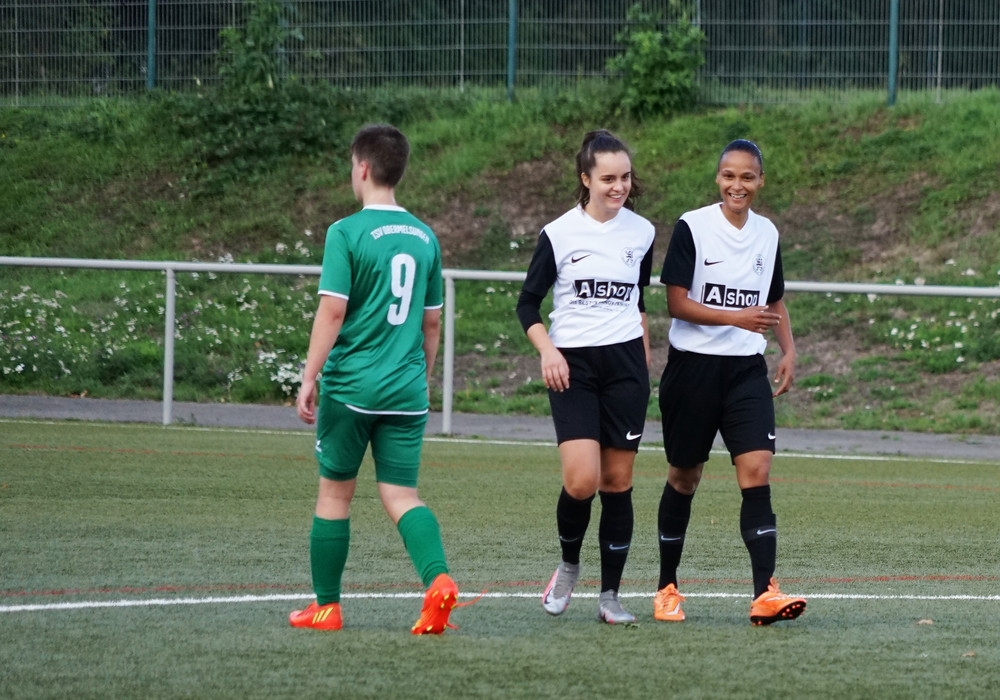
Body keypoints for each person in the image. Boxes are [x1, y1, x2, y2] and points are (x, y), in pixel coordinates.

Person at [289, 124, 460, 634]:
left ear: (362, 168)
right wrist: (420, 378)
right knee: (402, 494)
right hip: (406, 390)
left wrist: (308, 376)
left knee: (335, 495)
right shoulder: (425, 236)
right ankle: (438, 580)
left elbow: (332, 312)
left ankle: (326, 608)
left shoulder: (345, 232)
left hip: (353, 388)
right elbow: (432, 323)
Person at [652, 139, 806, 626]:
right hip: (693, 369)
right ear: (718, 178)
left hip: (745, 371)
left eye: (747, 177)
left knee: (757, 470)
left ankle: (764, 594)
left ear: (760, 181)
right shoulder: (692, 226)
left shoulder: (767, 233)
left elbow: (773, 300)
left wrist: (788, 348)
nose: (737, 185)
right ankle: (666, 587)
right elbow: (676, 303)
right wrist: (736, 318)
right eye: (729, 176)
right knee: (685, 476)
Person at [516, 129, 655, 624]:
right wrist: (548, 351)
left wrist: (643, 360)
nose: (619, 187)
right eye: (608, 178)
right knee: (582, 480)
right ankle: (568, 566)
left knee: (617, 482)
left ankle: (610, 596)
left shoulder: (643, 233)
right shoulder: (558, 234)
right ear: (586, 179)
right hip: (572, 366)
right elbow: (527, 305)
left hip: (625, 368)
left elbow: (638, 301)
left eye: (625, 177)